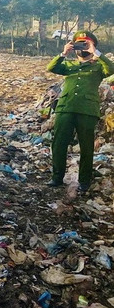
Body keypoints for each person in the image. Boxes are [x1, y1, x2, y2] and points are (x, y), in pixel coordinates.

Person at [45, 31, 113, 192]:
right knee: (59, 144)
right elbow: (51, 67)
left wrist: (95, 52)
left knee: (86, 147)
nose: (82, 47)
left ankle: (84, 180)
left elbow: (111, 69)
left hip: (87, 110)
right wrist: (64, 53)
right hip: (66, 108)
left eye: (86, 44)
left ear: (92, 45)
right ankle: (57, 177)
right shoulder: (69, 65)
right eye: (79, 44)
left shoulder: (98, 66)